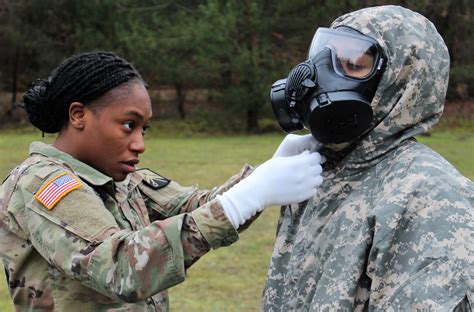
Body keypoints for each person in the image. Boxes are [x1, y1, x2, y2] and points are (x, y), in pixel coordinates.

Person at [0, 51, 324, 311]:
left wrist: (264, 174)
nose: (140, 143)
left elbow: (199, 208)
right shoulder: (41, 184)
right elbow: (121, 268)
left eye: (144, 129)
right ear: (78, 115)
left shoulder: (122, 180)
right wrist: (249, 196)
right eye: (129, 124)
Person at [264, 5, 473, 311]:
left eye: (352, 63)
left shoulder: (429, 196)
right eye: (324, 55)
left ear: (400, 84)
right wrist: (250, 189)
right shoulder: (318, 175)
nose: (316, 76)